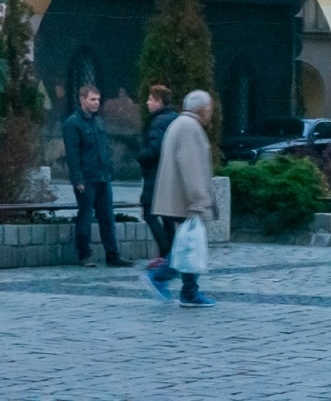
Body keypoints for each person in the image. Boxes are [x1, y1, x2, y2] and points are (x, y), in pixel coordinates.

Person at [145, 89, 218, 307]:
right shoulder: (189, 127)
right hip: (186, 199)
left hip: (180, 197)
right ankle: (164, 278)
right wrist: (198, 200)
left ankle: (188, 290)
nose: (211, 113)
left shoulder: (181, 124)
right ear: (202, 109)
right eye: (209, 108)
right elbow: (192, 167)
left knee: (187, 246)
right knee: (187, 247)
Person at [62, 85, 127, 268]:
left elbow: (104, 149)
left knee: (107, 217)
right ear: (82, 99)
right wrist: (78, 179)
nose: (96, 103)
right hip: (87, 179)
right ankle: (84, 255)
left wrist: (110, 169)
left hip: (102, 177)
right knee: (85, 216)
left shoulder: (98, 122)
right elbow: (72, 155)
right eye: (92, 99)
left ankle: (112, 254)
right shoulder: (73, 123)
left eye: (98, 99)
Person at [136, 85, 179, 270]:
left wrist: (140, 155)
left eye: (151, 99)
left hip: (156, 173)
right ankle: (171, 254)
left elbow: (155, 149)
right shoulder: (175, 118)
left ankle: (166, 252)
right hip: (170, 173)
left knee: (149, 212)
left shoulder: (158, 121)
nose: (147, 102)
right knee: (167, 215)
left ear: (159, 102)